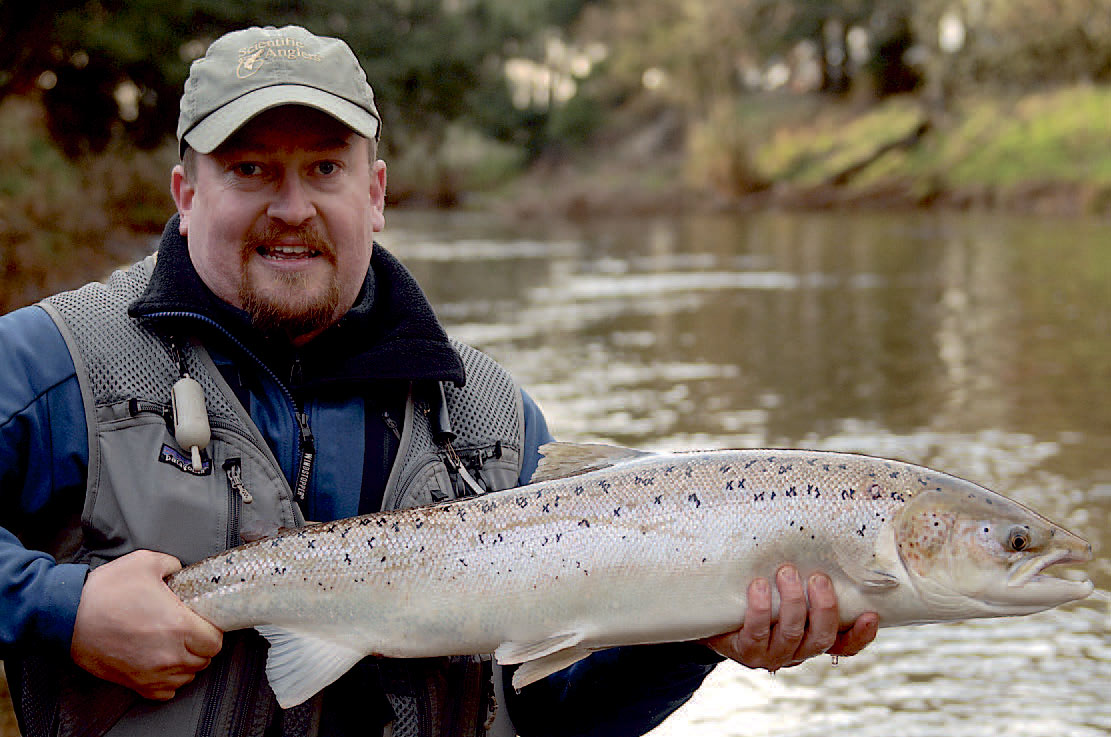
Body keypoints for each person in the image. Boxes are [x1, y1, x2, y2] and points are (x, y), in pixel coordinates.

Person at [0, 24, 878, 737]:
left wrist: (695, 640)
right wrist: (59, 608)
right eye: (250, 168)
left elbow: (553, 716)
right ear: (186, 194)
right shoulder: (54, 364)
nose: (292, 207)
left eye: (325, 168)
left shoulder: (494, 420)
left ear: (375, 193)